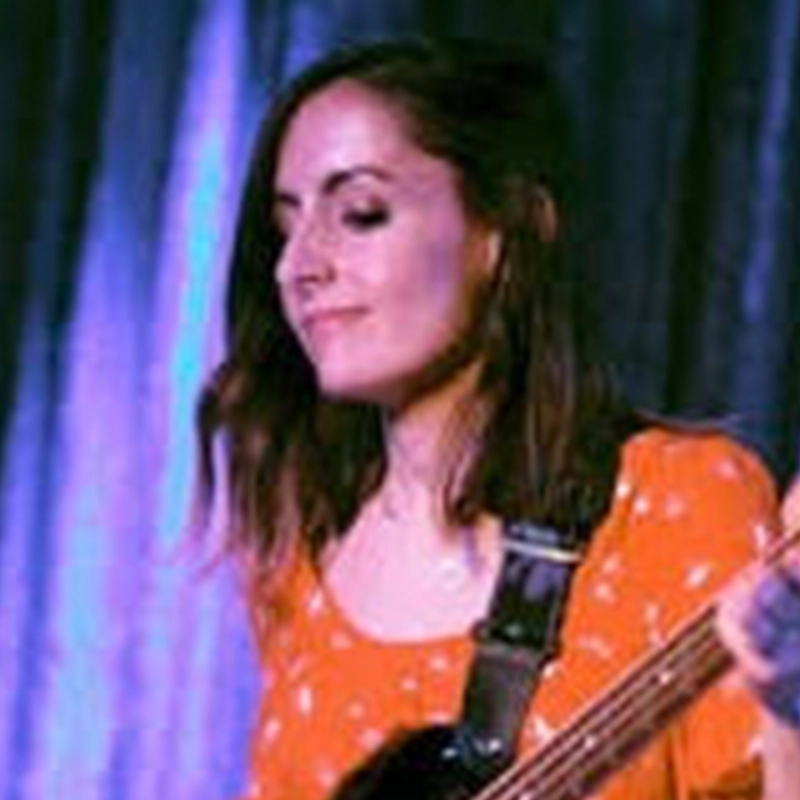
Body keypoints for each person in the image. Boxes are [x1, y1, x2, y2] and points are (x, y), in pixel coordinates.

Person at [194, 38, 800, 800]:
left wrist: (791, 710)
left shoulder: (675, 502)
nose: (297, 266)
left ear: (503, 233)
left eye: (361, 213)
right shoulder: (300, 567)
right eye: (285, 229)